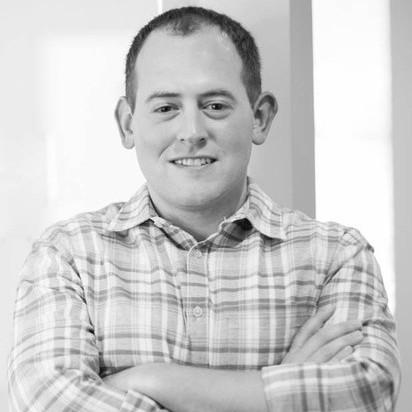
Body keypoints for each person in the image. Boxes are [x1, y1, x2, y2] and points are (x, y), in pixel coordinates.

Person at [7, 6, 400, 412]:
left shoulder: (337, 256)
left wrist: (152, 379)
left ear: (260, 118)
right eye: (166, 108)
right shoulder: (68, 255)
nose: (192, 132)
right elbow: (44, 400)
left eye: (214, 106)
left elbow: (368, 393)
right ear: (127, 124)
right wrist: (276, 391)